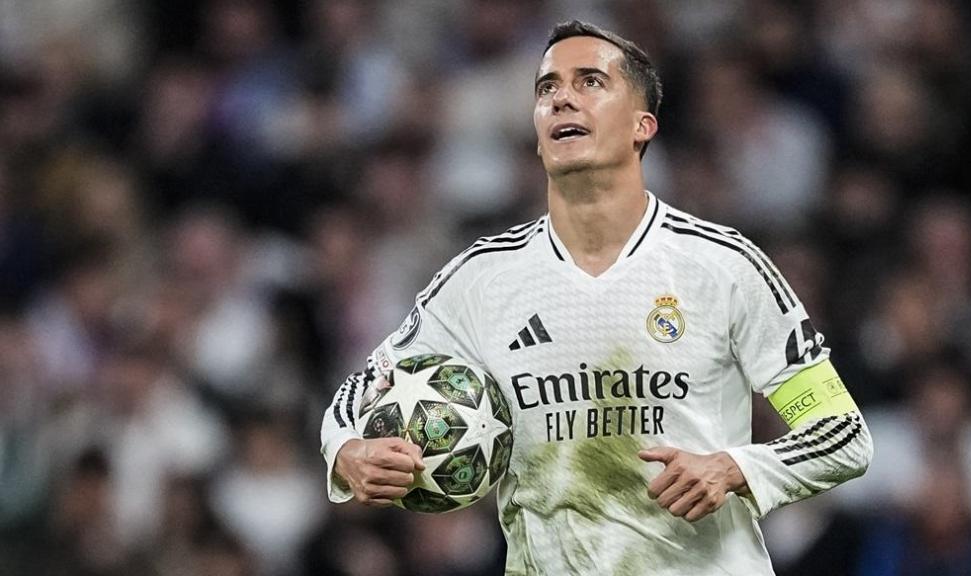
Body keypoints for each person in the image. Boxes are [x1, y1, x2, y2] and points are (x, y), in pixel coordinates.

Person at [321, 20, 873, 575]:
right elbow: (358, 392)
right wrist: (349, 453)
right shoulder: (481, 279)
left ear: (642, 125)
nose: (562, 98)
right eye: (547, 88)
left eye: (589, 82)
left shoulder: (723, 267)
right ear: (538, 135)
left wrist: (736, 468)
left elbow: (842, 436)